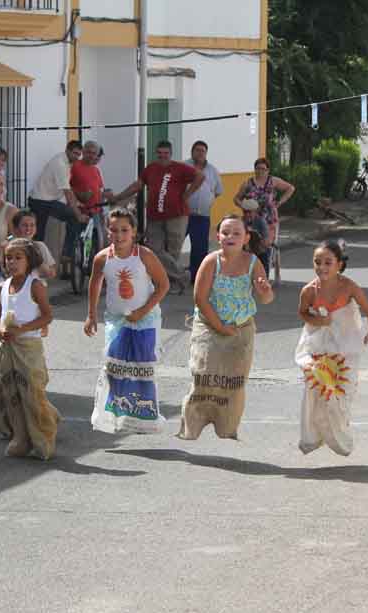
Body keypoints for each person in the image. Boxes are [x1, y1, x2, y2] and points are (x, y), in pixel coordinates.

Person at [177, 215, 273, 440]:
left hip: (241, 328)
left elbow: (267, 299)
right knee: (203, 375)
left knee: (234, 380)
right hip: (209, 326)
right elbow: (200, 298)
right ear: (217, 236)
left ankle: (226, 426)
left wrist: (265, 290)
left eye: (237, 233)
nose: (231, 237)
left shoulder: (252, 262)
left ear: (246, 238)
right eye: (226, 232)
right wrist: (219, 326)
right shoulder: (211, 261)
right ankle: (193, 425)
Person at [84, 209, 170, 433]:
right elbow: (95, 284)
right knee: (114, 366)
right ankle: (113, 413)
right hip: (117, 319)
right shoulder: (102, 258)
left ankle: (145, 416)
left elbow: (163, 285)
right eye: (114, 230)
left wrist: (143, 311)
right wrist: (91, 314)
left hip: (146, 319)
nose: (119, 235)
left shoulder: (144, 255)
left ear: (134, 233)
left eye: (124, 230)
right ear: (107, 231)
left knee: (142, 366)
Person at [295, 240, 368, 456]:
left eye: (328, 262)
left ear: (339, 264)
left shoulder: (349, 286)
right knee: (317, 387)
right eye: (317, 262)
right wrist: (319, 321)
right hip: (317, 345)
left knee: (341, 393)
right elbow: (302, 313)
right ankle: (313, 436)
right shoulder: (308, 290)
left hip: (346, 347)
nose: (322, 267)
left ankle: (337, 435)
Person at [0, 238, 59, 459]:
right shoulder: (1, 287)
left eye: (18, 257)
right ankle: (20, 437)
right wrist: (0, 329)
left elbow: (47, 316)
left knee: (31, 392)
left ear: (29, 261)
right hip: (8, 345)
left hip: (28, 346)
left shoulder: (35, 286)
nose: (12, 262)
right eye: (9, 257)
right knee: (12, 392)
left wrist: (21, 329)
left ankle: (42, 437)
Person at [110, 140, 203, 292]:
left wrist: (187, 194)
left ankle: (170, 283)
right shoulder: (150, 169)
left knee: (173, 250)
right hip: (154, 215)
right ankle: (181, 275)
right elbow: (137, 185)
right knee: (154, 249)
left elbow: (200, 177)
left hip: (177, 215)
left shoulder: (179, 168)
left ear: (170, 154)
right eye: (159, 154)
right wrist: (119, 197)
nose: (162, 157)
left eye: (165, 153)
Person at [28, 139, 86, 271]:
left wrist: (77, 205)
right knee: (38, 235)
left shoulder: (66, 162)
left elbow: (65, 189)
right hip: (40, 201)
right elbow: (67, 192)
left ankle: (66, 254)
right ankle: (37, 264)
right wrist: (78, 212)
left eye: (79, 154)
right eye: (75, 153)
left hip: (49, 200)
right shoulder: (60, 164)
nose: (77, 157)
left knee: (41, 234)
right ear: (67, 150)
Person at [233, 158, 295, 273]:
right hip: (252, 220)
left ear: (268, 170)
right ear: (254, 169)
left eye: (263, 169)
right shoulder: (248, 183)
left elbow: (290, 188)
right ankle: (252, 272)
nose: (260, 171)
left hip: (269, 219)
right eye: (258, 168)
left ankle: (267, 273)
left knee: (267, 246)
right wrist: (244, 205)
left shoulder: (273, 181)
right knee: (251, 246)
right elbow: (236, 198)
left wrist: (280, 202)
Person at [185, 140, 224, 284]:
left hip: (202, 216)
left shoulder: (212, 170)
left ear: (206, 153)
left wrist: (207, 199)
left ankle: (197, 278)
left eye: (202, 151)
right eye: (197, 150)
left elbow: (218, 191)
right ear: (192, 152)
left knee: (200, 248)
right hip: (183, 214)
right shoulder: (184, 166)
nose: (200, 153)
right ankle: (171, 277)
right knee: (173, 247)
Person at [10, 209, 56, 280]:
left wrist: (36, 258)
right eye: (24, 225)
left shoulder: (40, 246)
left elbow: (51, 274)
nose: (28, 229)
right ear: (16, 228)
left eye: (32, 225)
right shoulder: (9, 247)